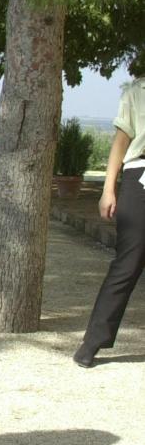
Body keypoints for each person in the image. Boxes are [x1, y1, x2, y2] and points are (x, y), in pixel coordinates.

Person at [74, 77, 145, 368]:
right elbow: (121, 141)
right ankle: (92, 342)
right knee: (128, 262)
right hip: (139, 177)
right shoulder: (137, 91)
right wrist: (108, 190)